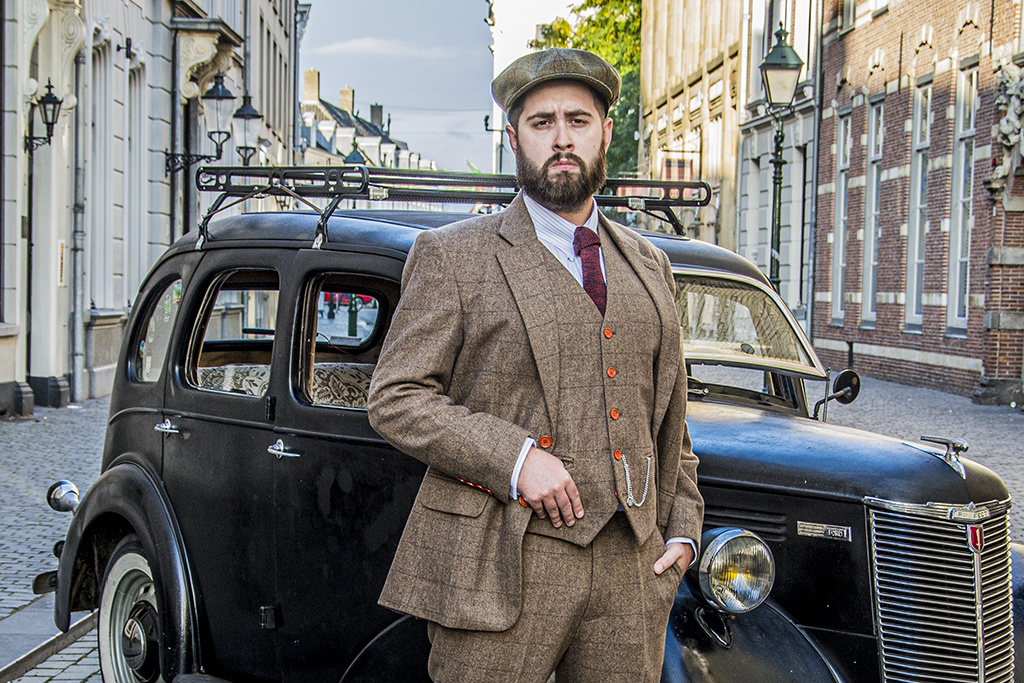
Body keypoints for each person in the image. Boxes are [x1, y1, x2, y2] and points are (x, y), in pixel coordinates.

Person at [366, 47, 703, 682]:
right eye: (541, 123)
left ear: (606, 132)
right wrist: (517, 459)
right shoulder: (454, 256)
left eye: (577, 120)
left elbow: (672, 419)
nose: (562, 139)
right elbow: (397, 395)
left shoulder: (650, 264)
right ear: (516, 138)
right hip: (502, 559)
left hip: (633, 572)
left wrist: (682, 533)